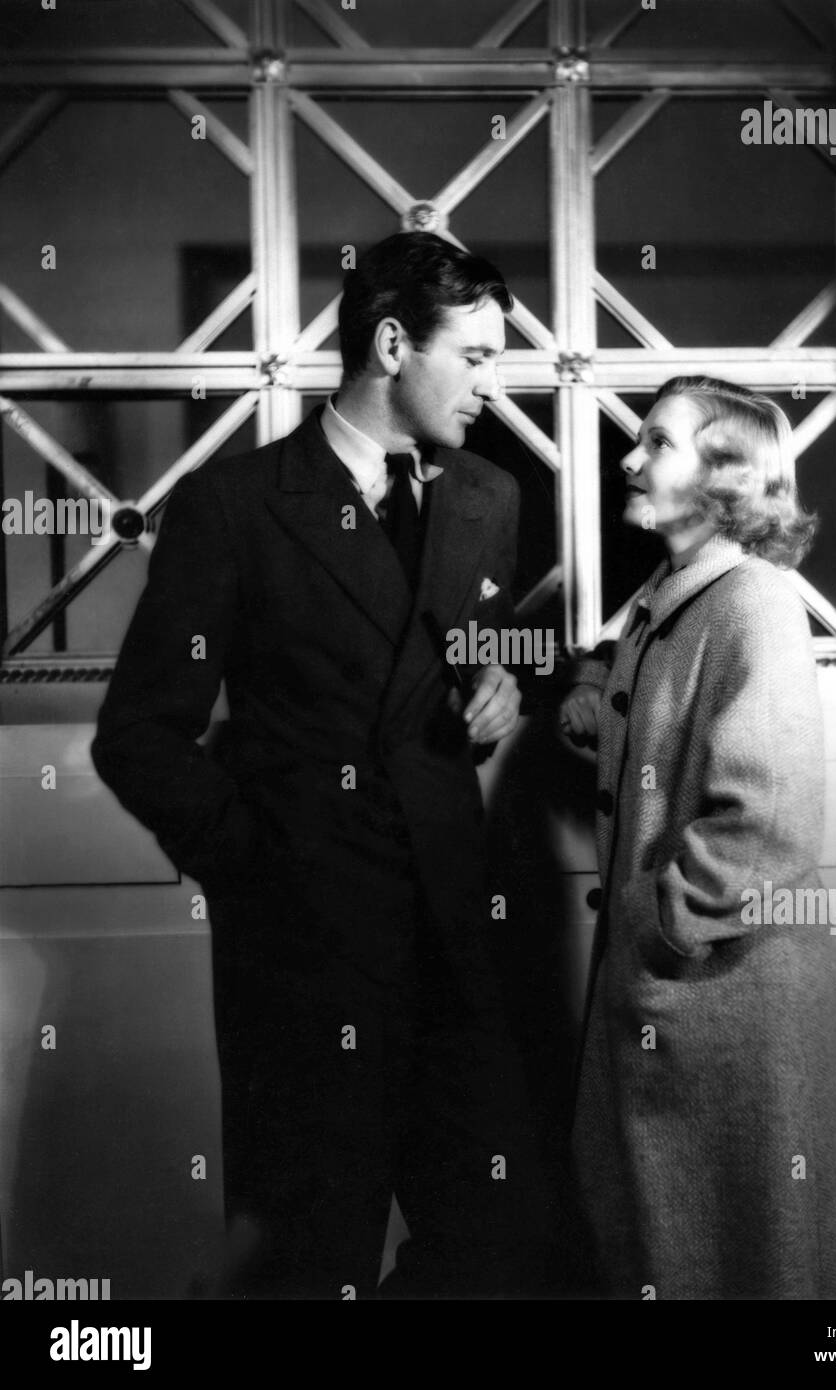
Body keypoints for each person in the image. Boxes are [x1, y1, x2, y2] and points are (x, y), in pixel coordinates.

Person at [91, 231, 549, 1300]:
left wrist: (500, 688)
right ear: (394, 343)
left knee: (501, 1234)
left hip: (451, 941)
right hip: (303, 964)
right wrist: (259, 864)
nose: (495, 384)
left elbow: (472, 655)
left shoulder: (489, 498)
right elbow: (139, 735)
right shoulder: (235, 507)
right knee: (302, 1262)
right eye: (475, 356)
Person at [560, 375, 836, 1300]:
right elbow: (652, 718)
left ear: (725, 473)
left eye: (655, 442)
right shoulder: (674, 599)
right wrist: (586, 696)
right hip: (680, 1011)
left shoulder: (751, 601)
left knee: (723, 1268)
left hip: (718, 1009)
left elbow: (765, 823)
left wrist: (656, 924)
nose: (628, 458)